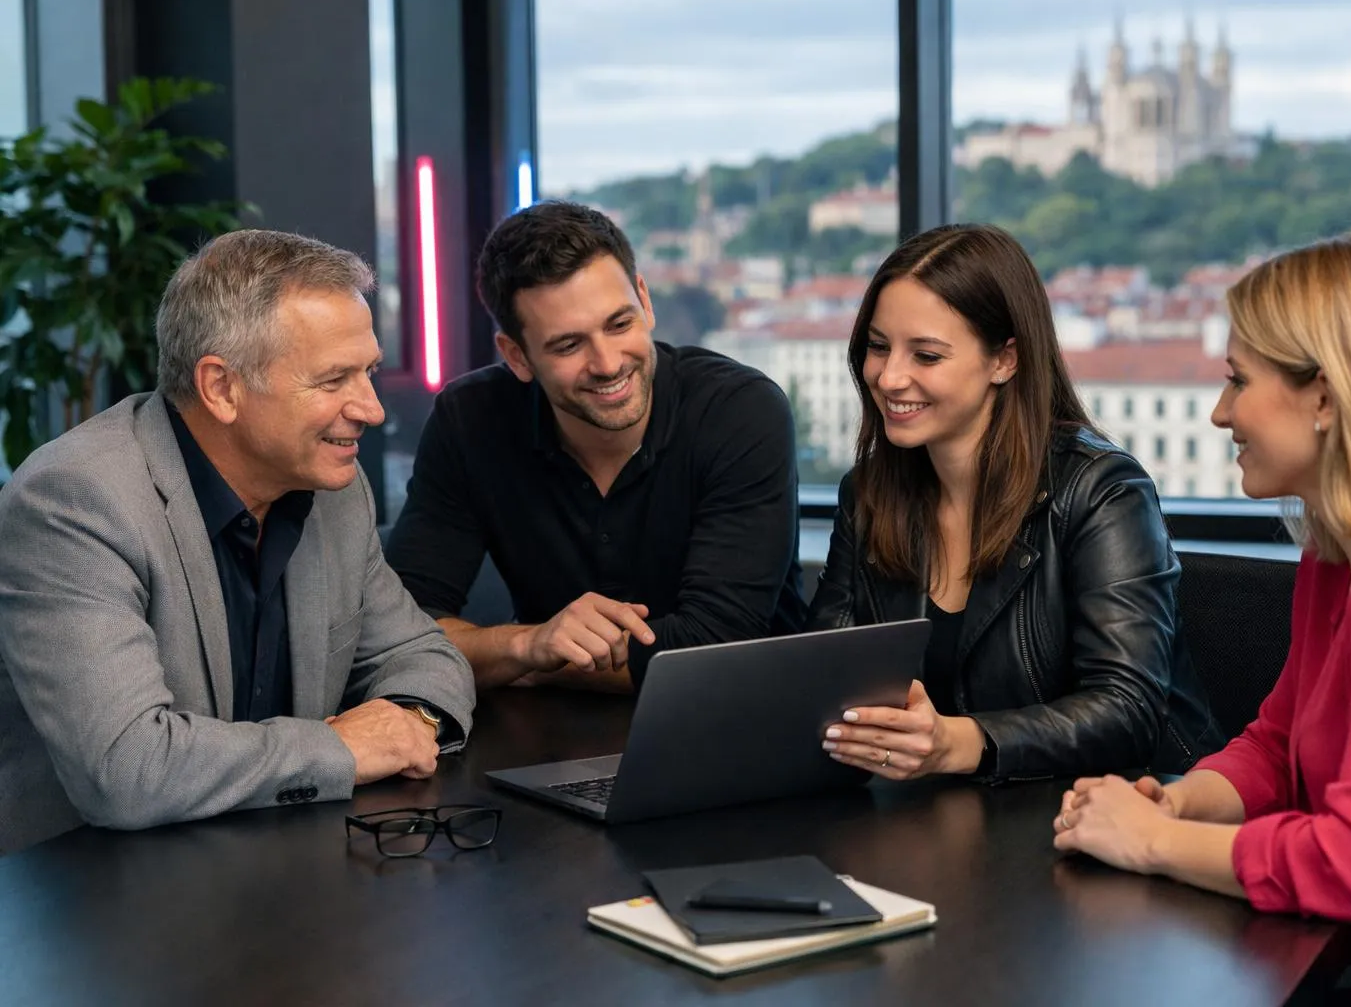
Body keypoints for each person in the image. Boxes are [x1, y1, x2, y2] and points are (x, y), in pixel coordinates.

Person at [1054, 233, 1351, 1005]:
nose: (1220, 412)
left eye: (1238, 381)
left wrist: (1154, 842)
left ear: (1327, 397)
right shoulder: (1345, 550)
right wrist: (1179, 800)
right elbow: (1281, 746)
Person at [0, 230, 476, 855]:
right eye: (334, 380)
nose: (372, 408)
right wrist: (340, 748)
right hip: (88, 897)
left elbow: (426, 655)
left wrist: (407, 724)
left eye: (368, 372)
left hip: (280, 868)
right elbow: (127, 770)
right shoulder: (75, 501)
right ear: (221, 387)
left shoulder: (335, 485)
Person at [808, 223, 1220, 782]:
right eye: (878, 347)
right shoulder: (868, 492)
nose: (889, 376)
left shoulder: (1101, 492)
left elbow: (1128, 711)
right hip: (942, 820)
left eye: (926, 356)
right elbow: (822, 678)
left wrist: (962, 742)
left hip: (1113, 816)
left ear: (1005, 360)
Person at [385, 201, 803, 693]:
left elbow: (713, 647)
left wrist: (523, 665)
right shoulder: (469, 419)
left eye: (619, 324)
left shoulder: (739, 411)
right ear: (517, 356)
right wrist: (528, 644)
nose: (607, 363)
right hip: (542, 747)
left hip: (740, 723)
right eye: (568, 346)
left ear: (644, 301)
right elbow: (403, 641)